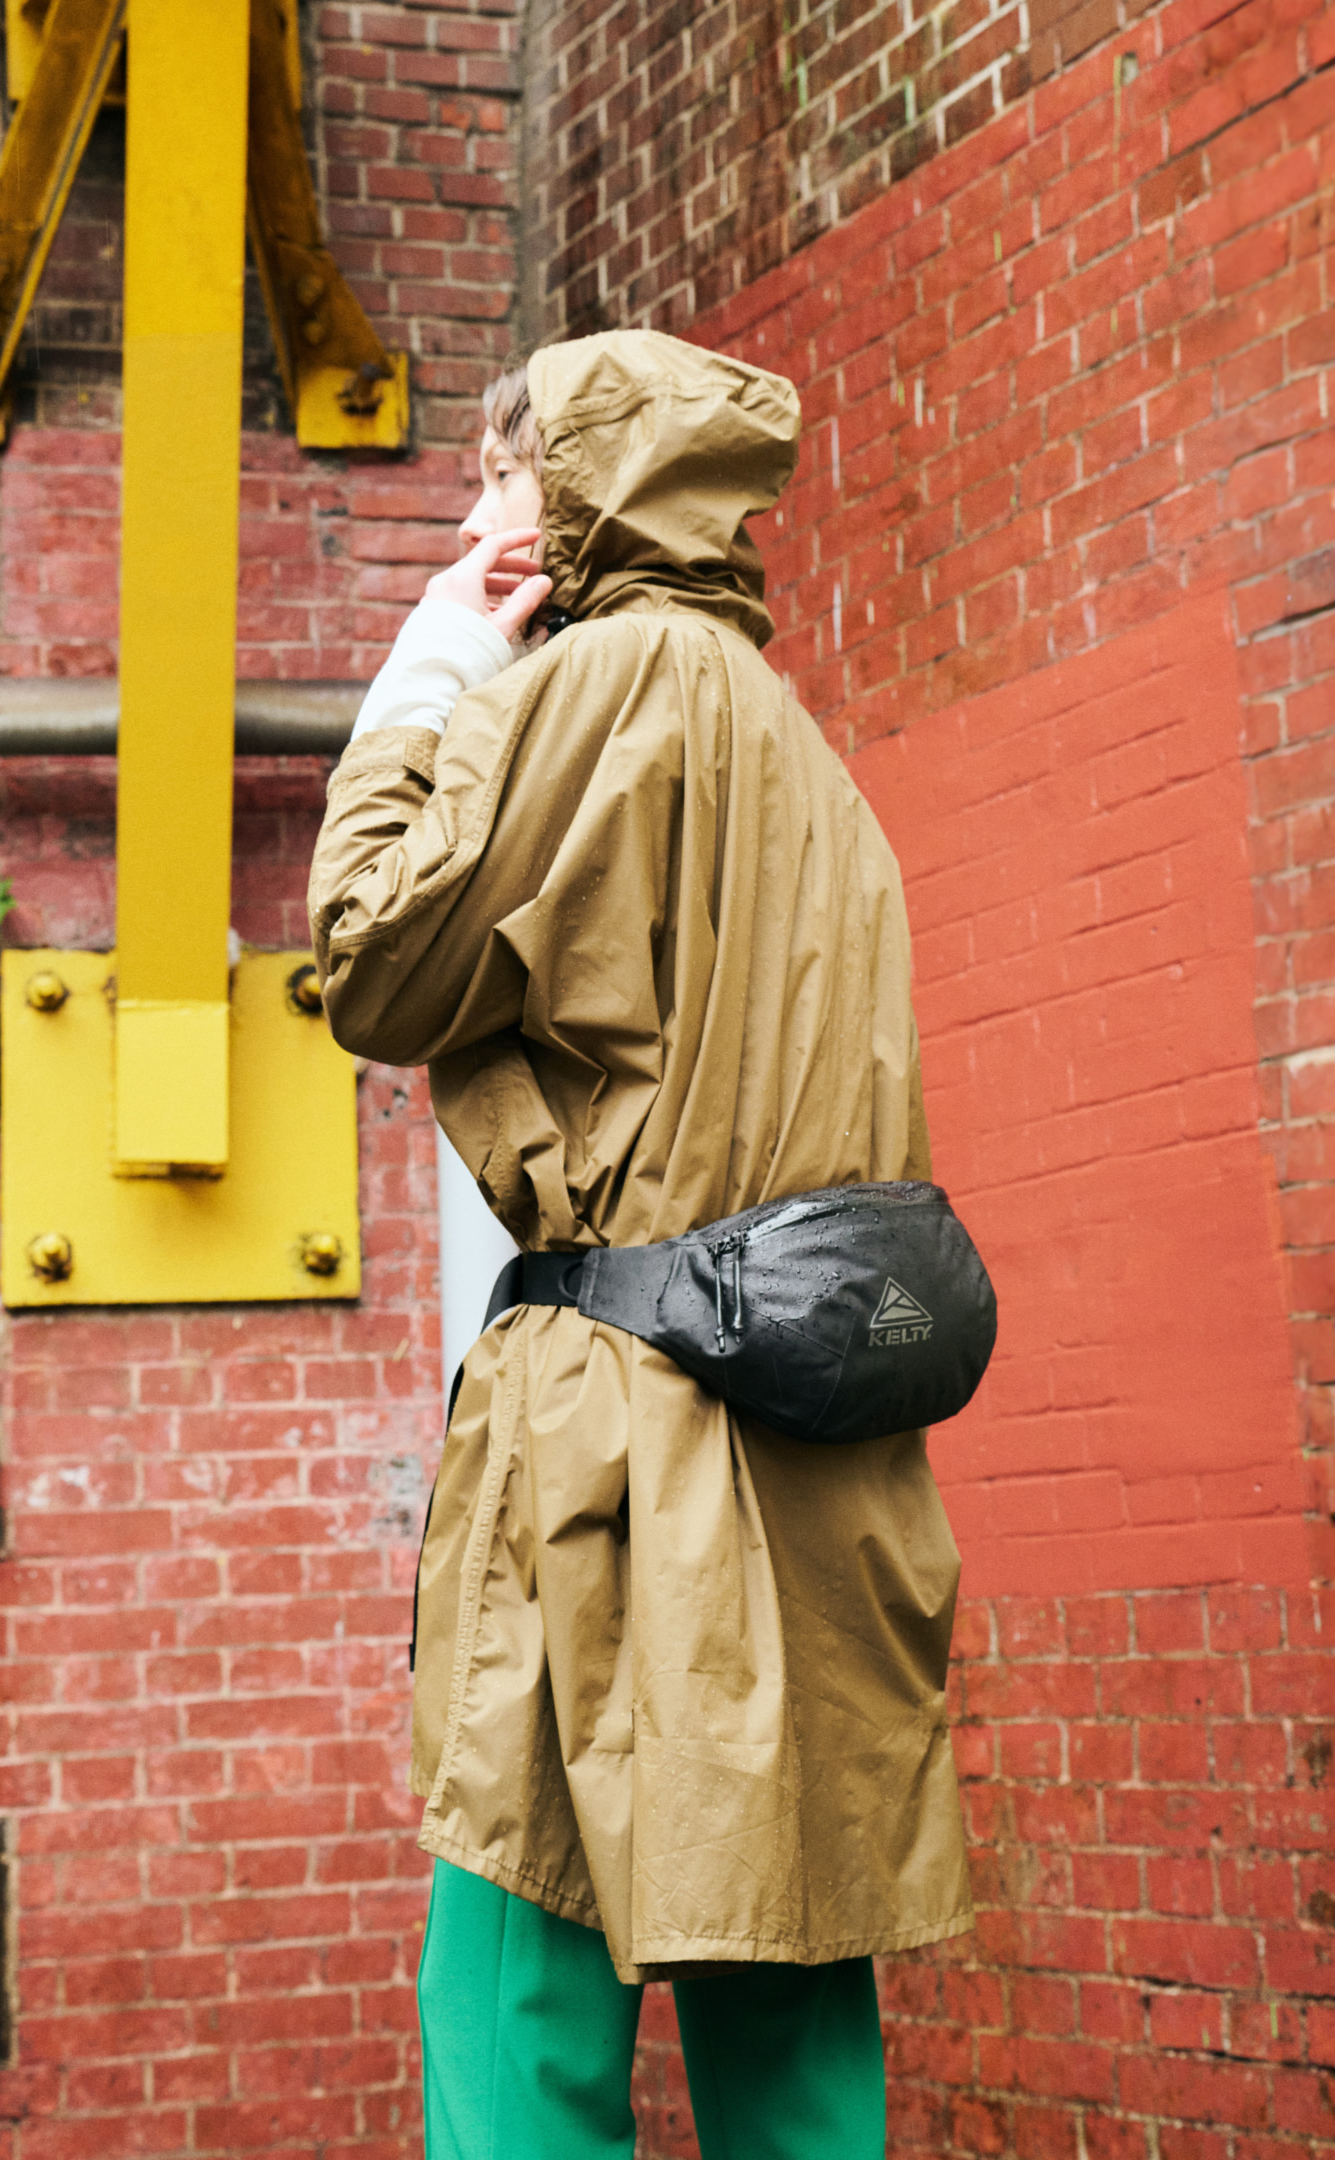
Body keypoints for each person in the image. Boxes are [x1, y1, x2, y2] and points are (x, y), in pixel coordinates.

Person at [309, 331, 972, 2160]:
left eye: (498, 481)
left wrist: (434, 664)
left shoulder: (590, 689)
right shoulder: (801, 748)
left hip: (608, 1454)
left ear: (581, 495)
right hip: (817, 1453)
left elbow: (372, 957)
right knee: (791, 1987)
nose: (471, 524)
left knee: (516, 1985)